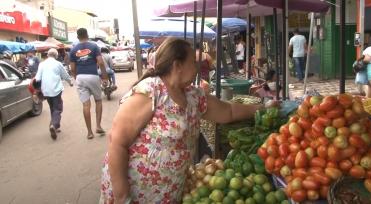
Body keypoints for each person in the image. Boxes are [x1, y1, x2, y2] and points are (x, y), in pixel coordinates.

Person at [99, 38, 276, 203]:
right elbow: (116, 142)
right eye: (193, 62)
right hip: (134, 194)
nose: (197, 67)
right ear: (178, 65)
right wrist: (123, 197)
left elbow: (228, 111)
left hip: (167, 194)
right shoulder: (152, 92)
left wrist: (264, 107)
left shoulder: (194, 97)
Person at [69, 28, 108, 139]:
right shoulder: (94, 46)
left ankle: (89, 132)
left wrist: (77, 78)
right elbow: (100, 62)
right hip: (93, 76)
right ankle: (98, 126)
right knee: (98, 100)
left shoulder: (73, 50)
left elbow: (72, 68)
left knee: (86, 105)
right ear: (87, 35)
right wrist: (104, 77)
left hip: (80, 77)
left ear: (77, 37)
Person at [35, 48, 73, 140]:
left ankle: (56, 126)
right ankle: (53, 125)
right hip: (56, 90)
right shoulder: (58, 64)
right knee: (58, 108)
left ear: (48, 55)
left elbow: (37, 78)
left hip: (46, 90)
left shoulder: (42, 64)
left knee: (52, 107)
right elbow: (65, 75)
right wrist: (70, 82)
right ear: (56, 56)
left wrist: (38, 90)